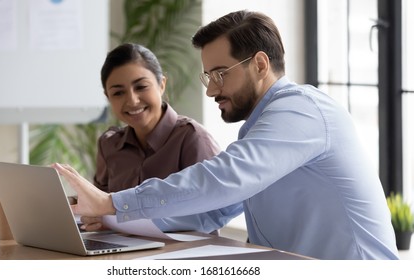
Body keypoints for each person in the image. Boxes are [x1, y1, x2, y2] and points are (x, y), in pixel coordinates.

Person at [54, 10, 399, 260]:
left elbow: (225, 179)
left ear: (260, 65)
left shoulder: (302, 111)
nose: (210, 91)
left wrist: (114, 202)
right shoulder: (262, 127)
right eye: (209, 76)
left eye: (220, 74)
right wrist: (110, 216)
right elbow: (213, 209)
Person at [82, 43, 242, 234]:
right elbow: (99, 206)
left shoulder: (192, 138)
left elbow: (214, 211)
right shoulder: (109, 144)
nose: (132, 100)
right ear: (107, 97)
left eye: (141, 87)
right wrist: (92, 217)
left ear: (162, 84)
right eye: (118, 92)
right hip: (123, 254)